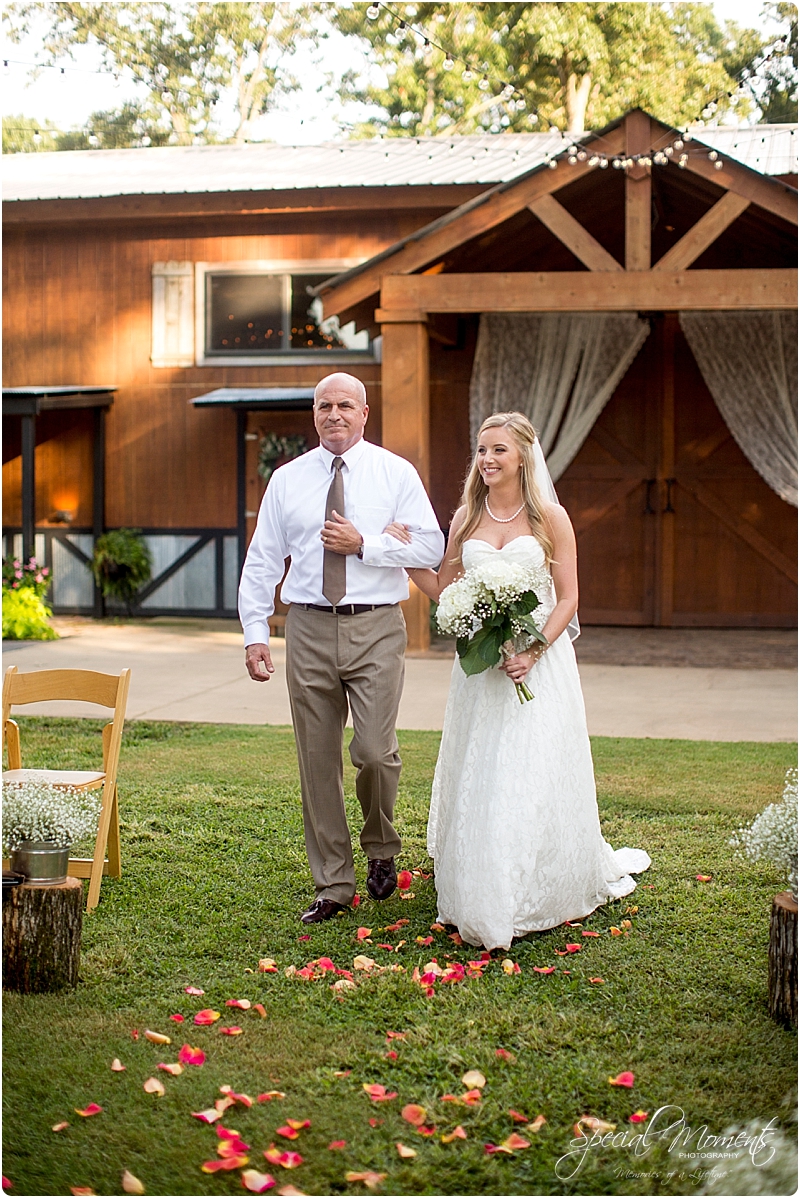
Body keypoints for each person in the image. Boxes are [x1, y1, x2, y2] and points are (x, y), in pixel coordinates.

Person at [390, 411, 650, 950]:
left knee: (532, 768)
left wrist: (532, 650)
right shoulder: (466, 516)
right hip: (484, 672)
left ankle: (537, 882)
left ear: (523, 457)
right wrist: (399, 552)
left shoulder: (550, 518)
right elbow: (445, 587)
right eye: (481, 450)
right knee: (485, 768)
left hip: (540, 664)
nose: (486, 460)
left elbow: (570, 596)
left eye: (498, 451)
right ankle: (482, 883)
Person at [239, 373, 445, 924]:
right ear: (314, 414)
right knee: (317, 760)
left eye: (345, 405)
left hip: (376, 625)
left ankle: (381, 844)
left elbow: (430, 544)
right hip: (306, 627)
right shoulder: (287, 479)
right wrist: (256, 633)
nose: (335, 414)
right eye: (325, 405)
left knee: (376, 752)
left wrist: (367, 545)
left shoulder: (395, 473)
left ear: (364, 413)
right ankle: (333, 883)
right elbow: (262, 560)